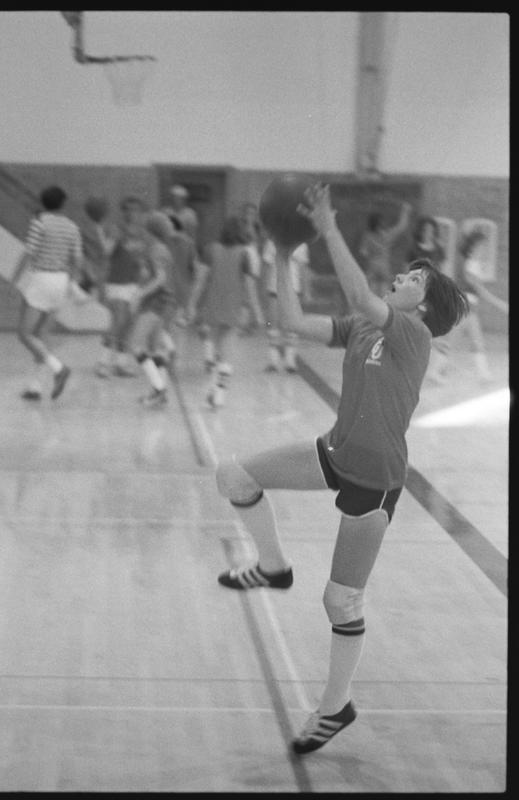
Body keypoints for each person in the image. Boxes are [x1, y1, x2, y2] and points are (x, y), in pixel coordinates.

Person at [213, 183, 469, 755]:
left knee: (340, 601)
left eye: (413, 279)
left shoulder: (414, 336)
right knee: (234, 475)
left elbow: (357, 291)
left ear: (424, 307)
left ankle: (335, 706)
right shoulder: (364, 327)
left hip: (375, 479)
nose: (400, 276)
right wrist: (283, 254)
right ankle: (273, 567)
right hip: (334, 453)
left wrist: (328, 226)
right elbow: (291, 320)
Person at [12, 185, 82, 400]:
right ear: (63, 203)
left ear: (42, 202)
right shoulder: (72, 226)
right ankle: (35, 386)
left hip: (41, 278)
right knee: (41, 336)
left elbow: (29, 252)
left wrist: (15, 276)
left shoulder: (40, 222)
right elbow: (78, 259)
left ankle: (58, 368)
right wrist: (73, 283)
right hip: (61, 280)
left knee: (25, 334)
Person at [185, 215, 259, 408]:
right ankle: (219, 393)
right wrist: (257, 313)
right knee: (227, 353)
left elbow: (200, 281)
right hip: (234, 308)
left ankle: (213, 390)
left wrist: (191, 304)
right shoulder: (244, 254)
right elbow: (250, 288)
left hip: (213, 306)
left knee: (217, 351)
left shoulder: (210, 250)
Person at [92, 196, 151, 378]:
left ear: (141, 213)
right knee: (119, 320)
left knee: (129, 324)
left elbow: (142, 258)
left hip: (134, 284)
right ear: (123, 212)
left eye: (136, 210)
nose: (132, 213)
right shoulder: (117, 230)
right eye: (128, 209)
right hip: (116, 282)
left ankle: (121, 363)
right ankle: (103, 362)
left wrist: (144, 271)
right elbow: (107, 251)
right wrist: (100, 231)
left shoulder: (143, 234)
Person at [128, 211, 177, 408]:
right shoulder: (159, 249)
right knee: (154, 350)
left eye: (144, 228)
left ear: (151, 230)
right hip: (162, 303)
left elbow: (160, 278)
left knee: (135, 345)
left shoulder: (156, 250)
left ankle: (159, 389)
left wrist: (139, 294)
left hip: (155, 304)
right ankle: (159, 392)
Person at [449, 227, 508, 382]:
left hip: (468, 306)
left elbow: (478, 290)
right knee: (465, 339)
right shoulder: (470, 264)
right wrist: (501, 304)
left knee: (461, 339)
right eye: (482, 246)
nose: (484, 249)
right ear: (473, 246)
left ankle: (482, 374)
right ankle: (482, 374)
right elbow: (480, 290)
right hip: (465, 306)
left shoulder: (473, 264)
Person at [406, 216, 450, 383]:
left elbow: (444, 271)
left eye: (431, 230)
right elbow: (407, 271)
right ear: (421, 231)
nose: (428, 233)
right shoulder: (414, 249)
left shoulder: (439, 249)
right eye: (425, 229)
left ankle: (434, 370)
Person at [262, 237, 310, 372]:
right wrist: (264, 287)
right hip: (274, 289)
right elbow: (266, 266)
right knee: (272, 323)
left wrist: (306, 290)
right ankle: (273, 360)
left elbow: (303, 269)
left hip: (293, 290)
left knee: (292, 324)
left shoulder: (301, 243)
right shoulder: (271, 241)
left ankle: (290, 361)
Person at [358, 201, 412, 296]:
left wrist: (372, 253)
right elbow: (401, 226)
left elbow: (363, 252)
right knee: (383, 293)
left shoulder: (368, 236)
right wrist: (405, 211)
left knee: (372, 293)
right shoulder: (387, 235)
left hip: (372, 267)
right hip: (384, 267)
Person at [238, 202, 265, 335]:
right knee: (244, 294)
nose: (249, 215)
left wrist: (250, 223)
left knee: (251, 292)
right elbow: (240, 240)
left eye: (252, 213)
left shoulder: (257, 228)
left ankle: (259, 321)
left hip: (252, 260)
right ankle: (245, 324)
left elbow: (255, 241)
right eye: (247, 212)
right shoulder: (239, 226)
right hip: (242, 258)